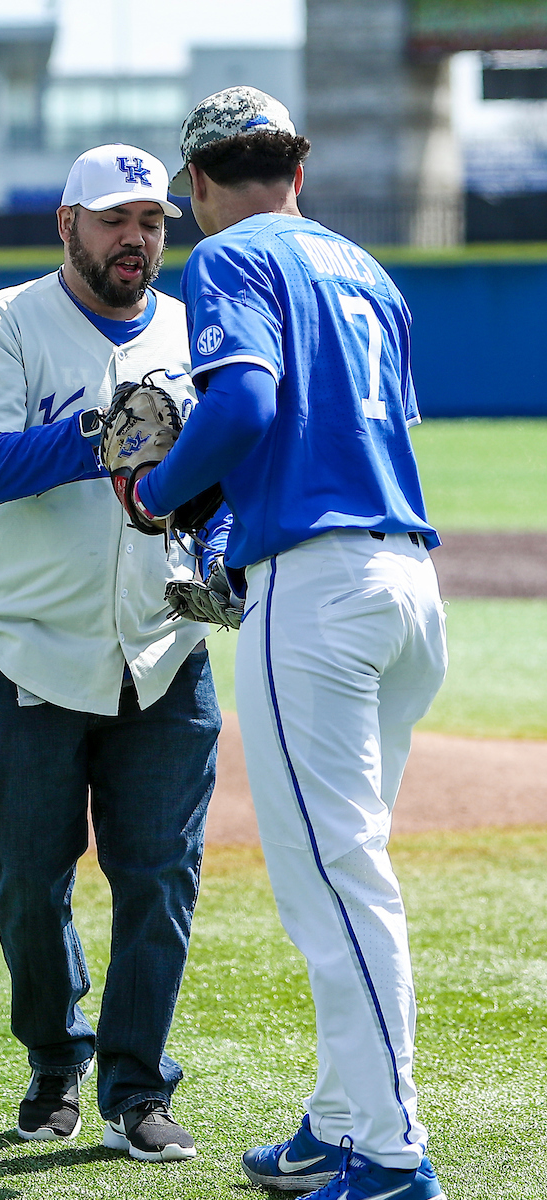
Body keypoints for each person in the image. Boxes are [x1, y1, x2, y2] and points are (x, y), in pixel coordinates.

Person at [118, 89, 449, 1199]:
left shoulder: (228, 260)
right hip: (406, 585)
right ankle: (338, 1119)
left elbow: (246, 406)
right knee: (348, 865)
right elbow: (371, 433)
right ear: (294, 170)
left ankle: (391, 1154)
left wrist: (161, 494)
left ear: (198, 184)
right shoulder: (369, 272)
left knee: (334, 882)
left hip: (315, 597)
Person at [0, 143, 224, 1162]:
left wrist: (220, 541)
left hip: (164, 649)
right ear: (67, 226)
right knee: (24, 875)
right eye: (112, 219)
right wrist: (97, 437)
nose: (135, 239)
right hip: (25, 650)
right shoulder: (6, 323)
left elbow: (227, 469)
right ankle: (54, 1053)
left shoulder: (198, 331)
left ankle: (136, 1086)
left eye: (151, 220)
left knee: (159, 876)